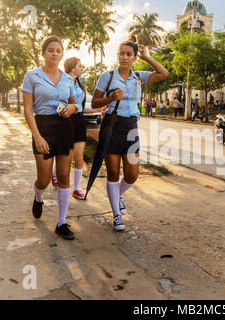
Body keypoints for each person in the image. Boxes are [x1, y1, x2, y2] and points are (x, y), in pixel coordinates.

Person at [91, 36, 169, 231]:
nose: (124, 57)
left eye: (129, 54)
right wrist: (110, 98)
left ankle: (118, 196)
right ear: (117, 55)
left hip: (131, 127)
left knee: (133, 174)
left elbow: (163, 73)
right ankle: (116, 215)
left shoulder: (138, 76)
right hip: (112, 127)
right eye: (121, 54)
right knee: (113, 173)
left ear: (134, 57)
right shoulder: (107, 77)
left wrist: (147, 57)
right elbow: (94, 103)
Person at [22, 35, 79, 240]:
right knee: (45, 179)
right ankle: (38, 197)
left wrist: (72, 107)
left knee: (64, 177)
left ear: (62, 54)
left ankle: (62, 223)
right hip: (43, 128)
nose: (54, 53)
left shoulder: (67, 79)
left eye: (58, 50)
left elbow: (74, 103)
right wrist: (37, 136)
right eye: (50, 50)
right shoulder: (32, 76)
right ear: (43, 52)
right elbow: (28, 110)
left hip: (64, 128)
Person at [51, 57, 106, 197]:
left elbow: (80, 108)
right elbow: (56, 103)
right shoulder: (61, 82)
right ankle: (55, 175)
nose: (82, 68)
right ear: (72, 68)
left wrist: (98, 110)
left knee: (79, 156)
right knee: (64, 155)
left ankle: (76, 188)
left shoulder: (80, 86)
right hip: (65, 120)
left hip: (79, 121)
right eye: (79, 66)